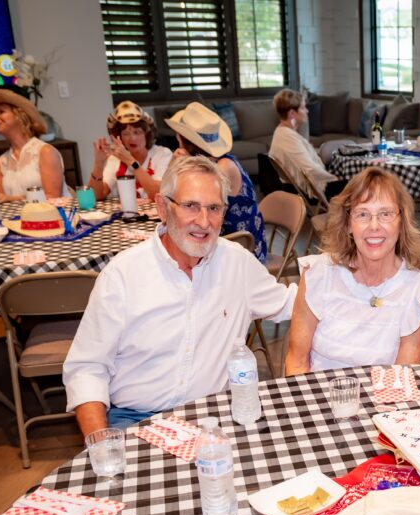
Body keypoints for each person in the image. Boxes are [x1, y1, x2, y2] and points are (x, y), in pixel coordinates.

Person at [63, 156, 298, 434]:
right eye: (190, 206)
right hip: (136, 418)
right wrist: (101, 444)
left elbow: (292, 303)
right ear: (163, 207)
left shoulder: (237, 263)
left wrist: (350, 272)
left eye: (214, 208)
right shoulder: (123, 275)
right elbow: (87, 368)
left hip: (214, 415)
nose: (203, 221)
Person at [284, 166, 420, 373]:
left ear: (401, 222)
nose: (374, 225)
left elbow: (401, 379)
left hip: (383, 403)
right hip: (319, 399)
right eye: (362, 214)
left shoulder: (418, 292)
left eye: (385, 214)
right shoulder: (318, 274)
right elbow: (297, 361)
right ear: (348, 224)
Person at [166, 102, 267, 263]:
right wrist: (175, 164)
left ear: (182, 140)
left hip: (240, 247)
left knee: (176, 245)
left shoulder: (223, 167)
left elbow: (173, 197)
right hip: (219, 239)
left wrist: (180, 167)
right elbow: (167, 196)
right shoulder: (210, 163)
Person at [0, 89, 69, 201]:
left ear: (20, 116)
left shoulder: (45, 152)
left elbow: (53, 198)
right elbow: (1, 202)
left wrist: (11, 199)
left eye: (1, 112)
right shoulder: (0, 162)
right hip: (19, 218)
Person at [87, 101, 173, 201]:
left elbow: (158, 194)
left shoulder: (162, 154)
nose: (132, 138)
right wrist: (98, 164)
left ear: (147, 134)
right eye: (126, 134)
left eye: (137, 132)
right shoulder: (115, 159)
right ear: (119, 138)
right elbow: (96, 196)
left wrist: (130, 161)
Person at [268, 88, 345, 199]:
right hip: (313, 191)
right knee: (359, 184)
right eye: (303, 108)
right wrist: (334, 178)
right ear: (292, 113)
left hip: (307, 187)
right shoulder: (287, 138)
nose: (307, 111)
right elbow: (309, 169)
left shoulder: (283, 132)